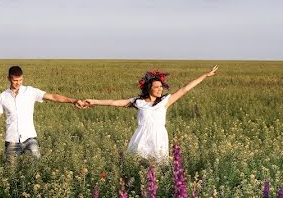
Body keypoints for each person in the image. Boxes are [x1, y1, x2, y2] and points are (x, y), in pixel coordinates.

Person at [83, 66, 219, 161]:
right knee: (138, 163)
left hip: (158, 137)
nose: (160, 89)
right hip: (141, 136)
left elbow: (185, 89)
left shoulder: (165, 101)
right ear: (149, 88)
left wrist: (205, 75)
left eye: (161, 86)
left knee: (158, 166)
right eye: (156, 87)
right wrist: (93, 101)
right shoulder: (138, 102)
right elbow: (113, 102)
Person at [0, 65, 87, 159]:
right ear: (8, 78)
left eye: (20, 80)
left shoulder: (30, 92)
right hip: (11, 140)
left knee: (36, 167)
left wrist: (73, 101)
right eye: (15, 80)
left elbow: (52, 97)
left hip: (30, 138)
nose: (18, 83)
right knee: (11, 171)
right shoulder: (3, 96)